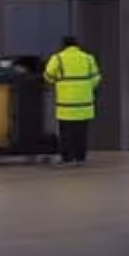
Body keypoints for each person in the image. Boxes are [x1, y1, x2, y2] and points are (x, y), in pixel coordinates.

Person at [43, 35, 101, 166]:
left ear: (63, 45)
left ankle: (67, 158)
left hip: (66, 105)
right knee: (82, 132)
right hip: (85, 104)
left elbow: (48, 76)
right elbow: (96, 78)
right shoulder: (88, 58)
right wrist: (85, 87)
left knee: (66, 132)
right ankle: (80, 157)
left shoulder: (58, 58)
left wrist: (58, 81)